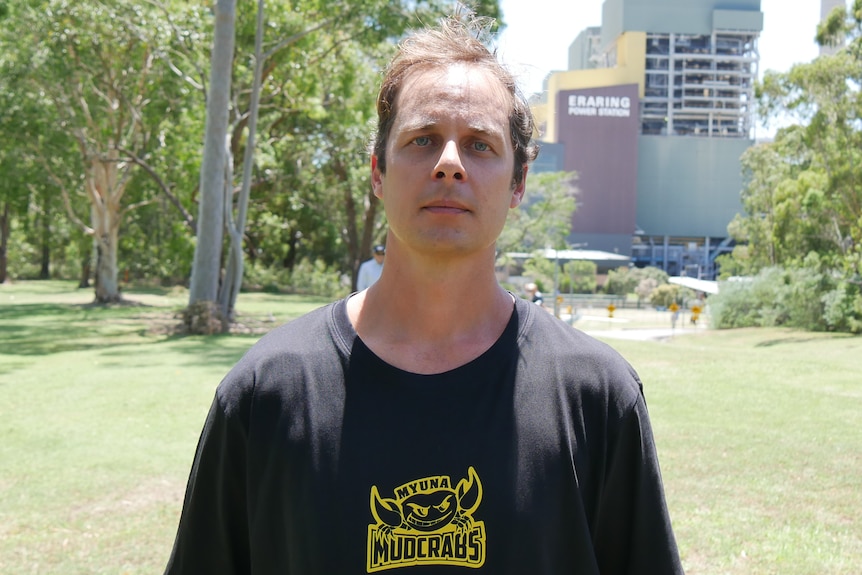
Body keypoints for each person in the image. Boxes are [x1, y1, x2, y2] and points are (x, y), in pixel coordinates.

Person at [164, 13, 683, 575]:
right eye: (423, 139)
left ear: (518, 185)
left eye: (481, 145)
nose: (450, 164)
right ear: (378, 173)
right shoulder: (266, 394)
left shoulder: (597, 397)